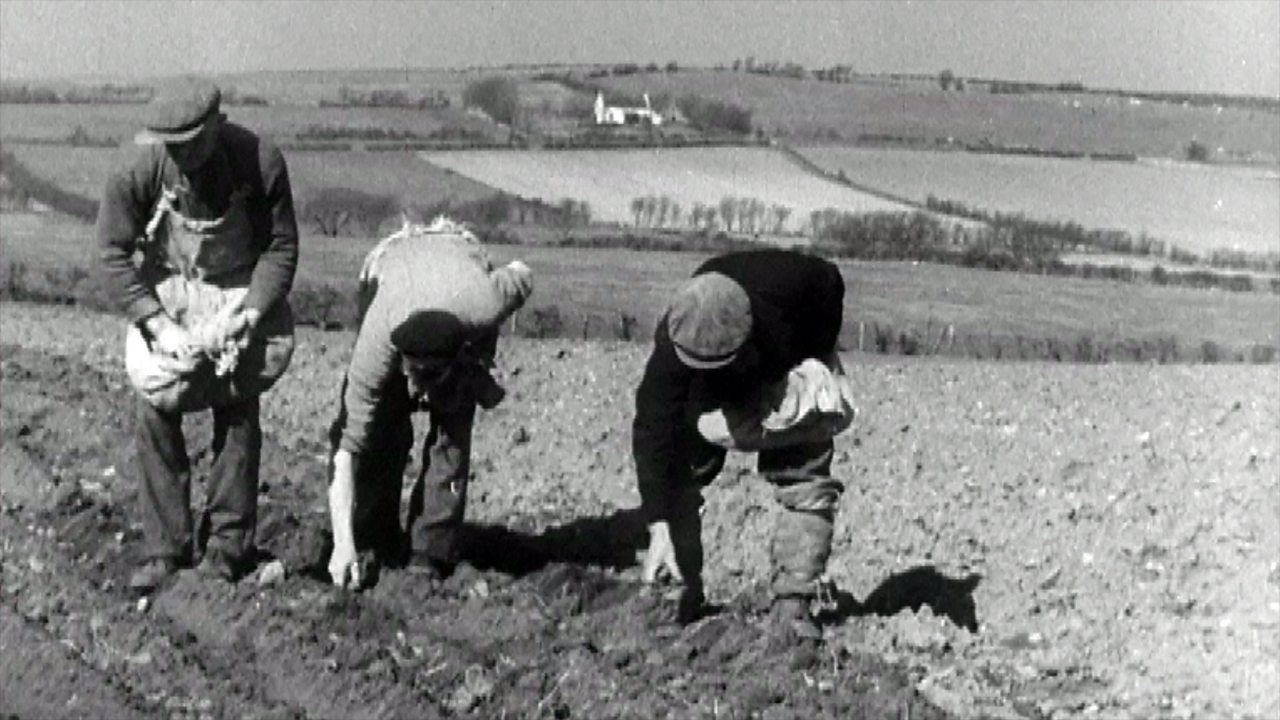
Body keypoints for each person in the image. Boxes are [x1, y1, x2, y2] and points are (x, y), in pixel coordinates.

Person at [96, 78, 299, 592]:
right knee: (155, 404)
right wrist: (157, 325)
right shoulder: (137, 169)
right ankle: (167, 548)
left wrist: (250, 316)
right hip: (171, 292)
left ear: (217, 125)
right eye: (174, 146)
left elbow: (280, 248)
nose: (184, 155)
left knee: (239, 408)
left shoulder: (259, 162)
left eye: (193, 143)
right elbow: (111, 254)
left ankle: (228, 548)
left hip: (236, 291)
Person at [632, 249, 855, 641]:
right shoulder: (676, 338)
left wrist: (811, 361)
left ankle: (794, 603)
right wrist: (658, 524)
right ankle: (679, 583)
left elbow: (830, 282)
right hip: (720, 372)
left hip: (784, 358)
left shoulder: (791, 298)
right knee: (682, 466)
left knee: (804, 467)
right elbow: (652, 430)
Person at [327, 218, 533, 590]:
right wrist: (343, 545)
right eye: (413, 376)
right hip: (392, 262)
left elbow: (522, 274)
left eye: (427, 379)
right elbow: (347, 448)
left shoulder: (485, 302)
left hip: (459, 263)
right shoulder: (379, 336)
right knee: (379, 427)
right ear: (400, 357)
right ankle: (373, 535)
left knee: (452, 430)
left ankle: (431, 549)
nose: (417, 391)